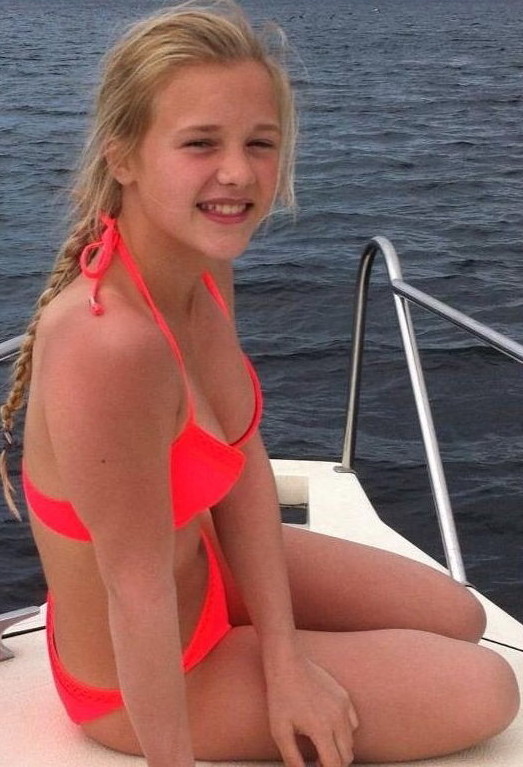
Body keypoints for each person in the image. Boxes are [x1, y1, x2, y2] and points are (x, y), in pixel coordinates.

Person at [0, 2, 519, 765]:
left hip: (203, 571)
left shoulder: (201, 266)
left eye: (259, 142)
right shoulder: (107, 345)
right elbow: (136, 595)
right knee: (484, 688)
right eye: (200, 143)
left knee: (456, 613)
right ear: (124, 157)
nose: (238, 173)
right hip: (151, 673)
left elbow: (242, 460)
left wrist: (284, 656)